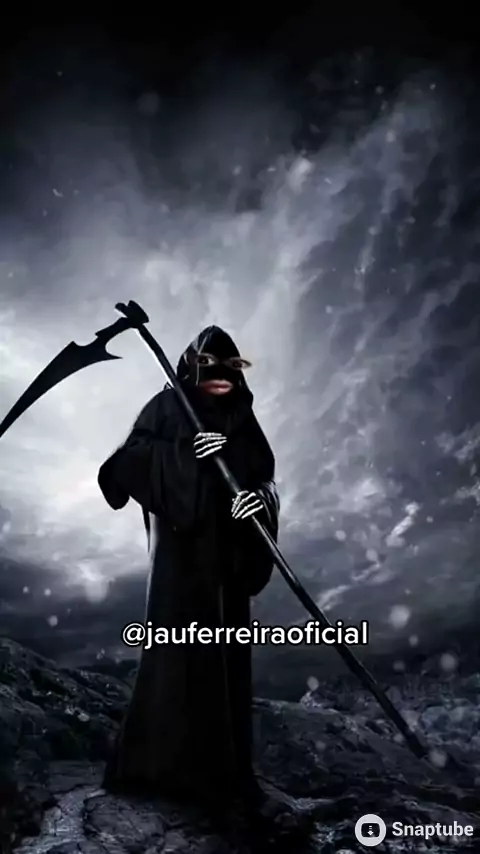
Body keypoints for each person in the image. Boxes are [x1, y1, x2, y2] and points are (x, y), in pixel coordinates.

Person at [97, 325, 279, 815]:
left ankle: (223, 772)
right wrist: (185, 457)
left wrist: (257, 501)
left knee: (223, 660)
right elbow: (122, 467)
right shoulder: (166, 407)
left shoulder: (241, 416)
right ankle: (161, 769)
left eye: (229, 367)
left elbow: (264, 476)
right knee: (178, 654)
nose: (220, 376)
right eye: (207, 366)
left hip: (225, 560)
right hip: (180, 560)